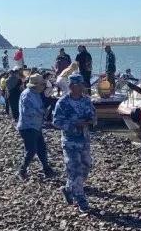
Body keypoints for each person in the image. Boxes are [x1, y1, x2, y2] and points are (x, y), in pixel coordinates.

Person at [53, 74, 96, 212]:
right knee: (75, 170)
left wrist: (91, 120)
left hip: (84, 139)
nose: (83, 86)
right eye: (80, 84)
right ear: (72, 86)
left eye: (83, 84)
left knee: (86, 167)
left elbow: (94, 116)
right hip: (70, 141)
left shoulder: (86, 100)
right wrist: (74, 124)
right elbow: (56, 122)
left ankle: (68, 189)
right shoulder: (63, 102)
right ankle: (81, 199)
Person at [17, 74, 57, 180]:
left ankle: (46, 168)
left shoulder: (36, 94)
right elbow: (27, 111)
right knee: (31, 150)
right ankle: (22, 170)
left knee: (41, 148)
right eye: (42, 85)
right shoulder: (27, 94)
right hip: (27, 126)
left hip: (36, 125)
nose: (43, 86)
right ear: (36, 85)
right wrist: (42, 112)